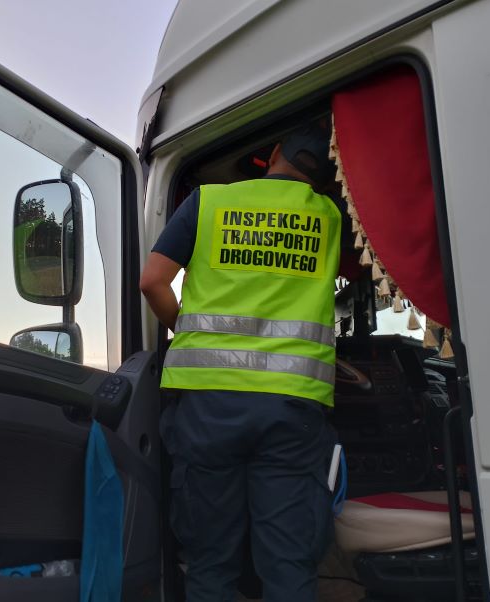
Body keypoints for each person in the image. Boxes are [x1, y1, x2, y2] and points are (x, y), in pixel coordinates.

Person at [139, 123, 341, 602]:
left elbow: (151, 281)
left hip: (208, 404)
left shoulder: (208, 201)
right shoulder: (330, 217)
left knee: (210, 562)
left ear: (273, 153)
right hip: (292, 406)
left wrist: (186, 330)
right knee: (288, 564)